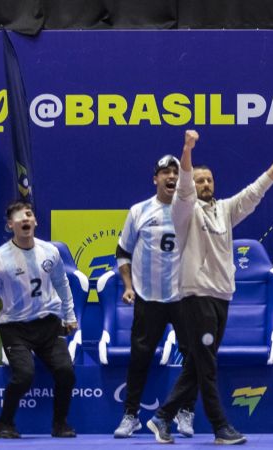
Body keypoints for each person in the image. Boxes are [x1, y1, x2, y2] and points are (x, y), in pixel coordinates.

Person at [146, 130, 273, 445]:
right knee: (207, 365)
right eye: (200, 181)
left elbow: (254, 193)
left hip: (221, 296)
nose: (205, 184)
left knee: (199, 363)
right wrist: (187, 149)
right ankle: (220, 427)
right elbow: (183, 184)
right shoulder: (183, 211)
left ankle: (162, 417)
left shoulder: (225, 210)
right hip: (195, 296)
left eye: (209, 180)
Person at [0, 201, 78, 439]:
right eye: (19, 218)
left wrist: (69, 315)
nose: (25, 220)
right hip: (14, 327)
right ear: (11, 226)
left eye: (28, 215)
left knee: (66, 372)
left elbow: (62, 284)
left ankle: (60, 424)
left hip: (48, 324)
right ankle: (4, 424)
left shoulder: (50, 251)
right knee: (24, 375)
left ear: (35, 221)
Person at [112, 152, 196, 439]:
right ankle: (131, 415)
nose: (171, 176)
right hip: (148, 298)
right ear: (155, 179)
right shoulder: (138, 211)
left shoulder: (190, 209)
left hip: (184, 297)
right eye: (165, 172)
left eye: (175, 172)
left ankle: (186, 412)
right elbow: (123, 252)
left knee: (192, 358)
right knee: (140, 357)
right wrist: (127, 286)